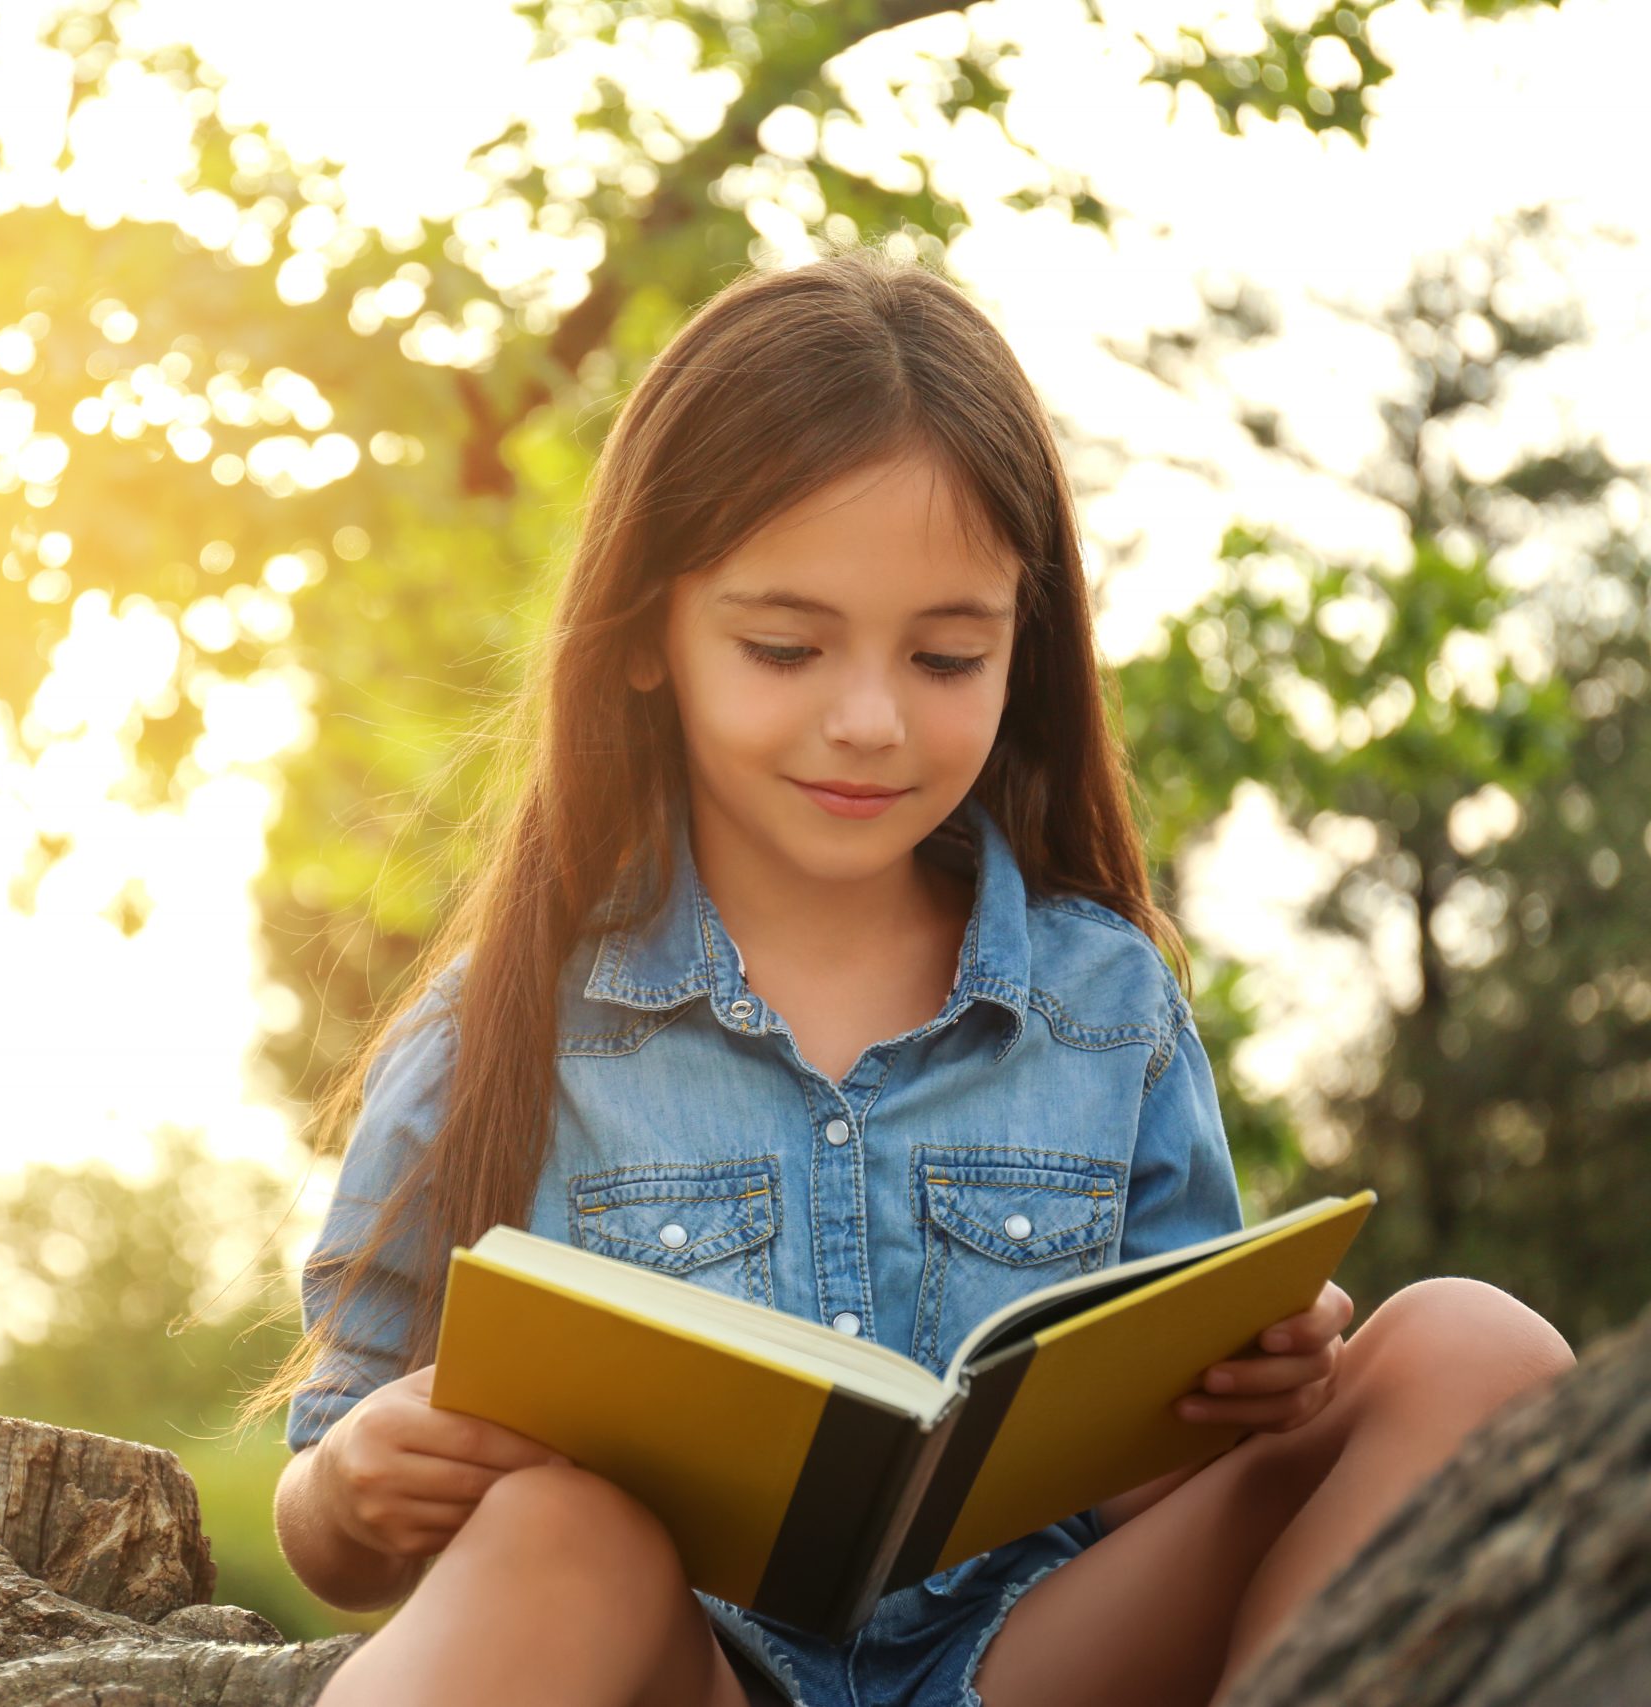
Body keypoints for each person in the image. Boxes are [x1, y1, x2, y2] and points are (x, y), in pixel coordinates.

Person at [232, 239, 1577, 1707]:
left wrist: (1248, 1398)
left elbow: (1156, 1489)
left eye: (945, 660)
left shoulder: (1105, 1004)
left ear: (1022, 650)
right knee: (561, 1527)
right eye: (786, 647)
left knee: (1469, 1341)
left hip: (1042, 1665)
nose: (868, 720)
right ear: (645, 640)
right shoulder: (503, 1023)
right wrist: (358, 1483)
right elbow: (336, 1498)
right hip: (689, 1673)